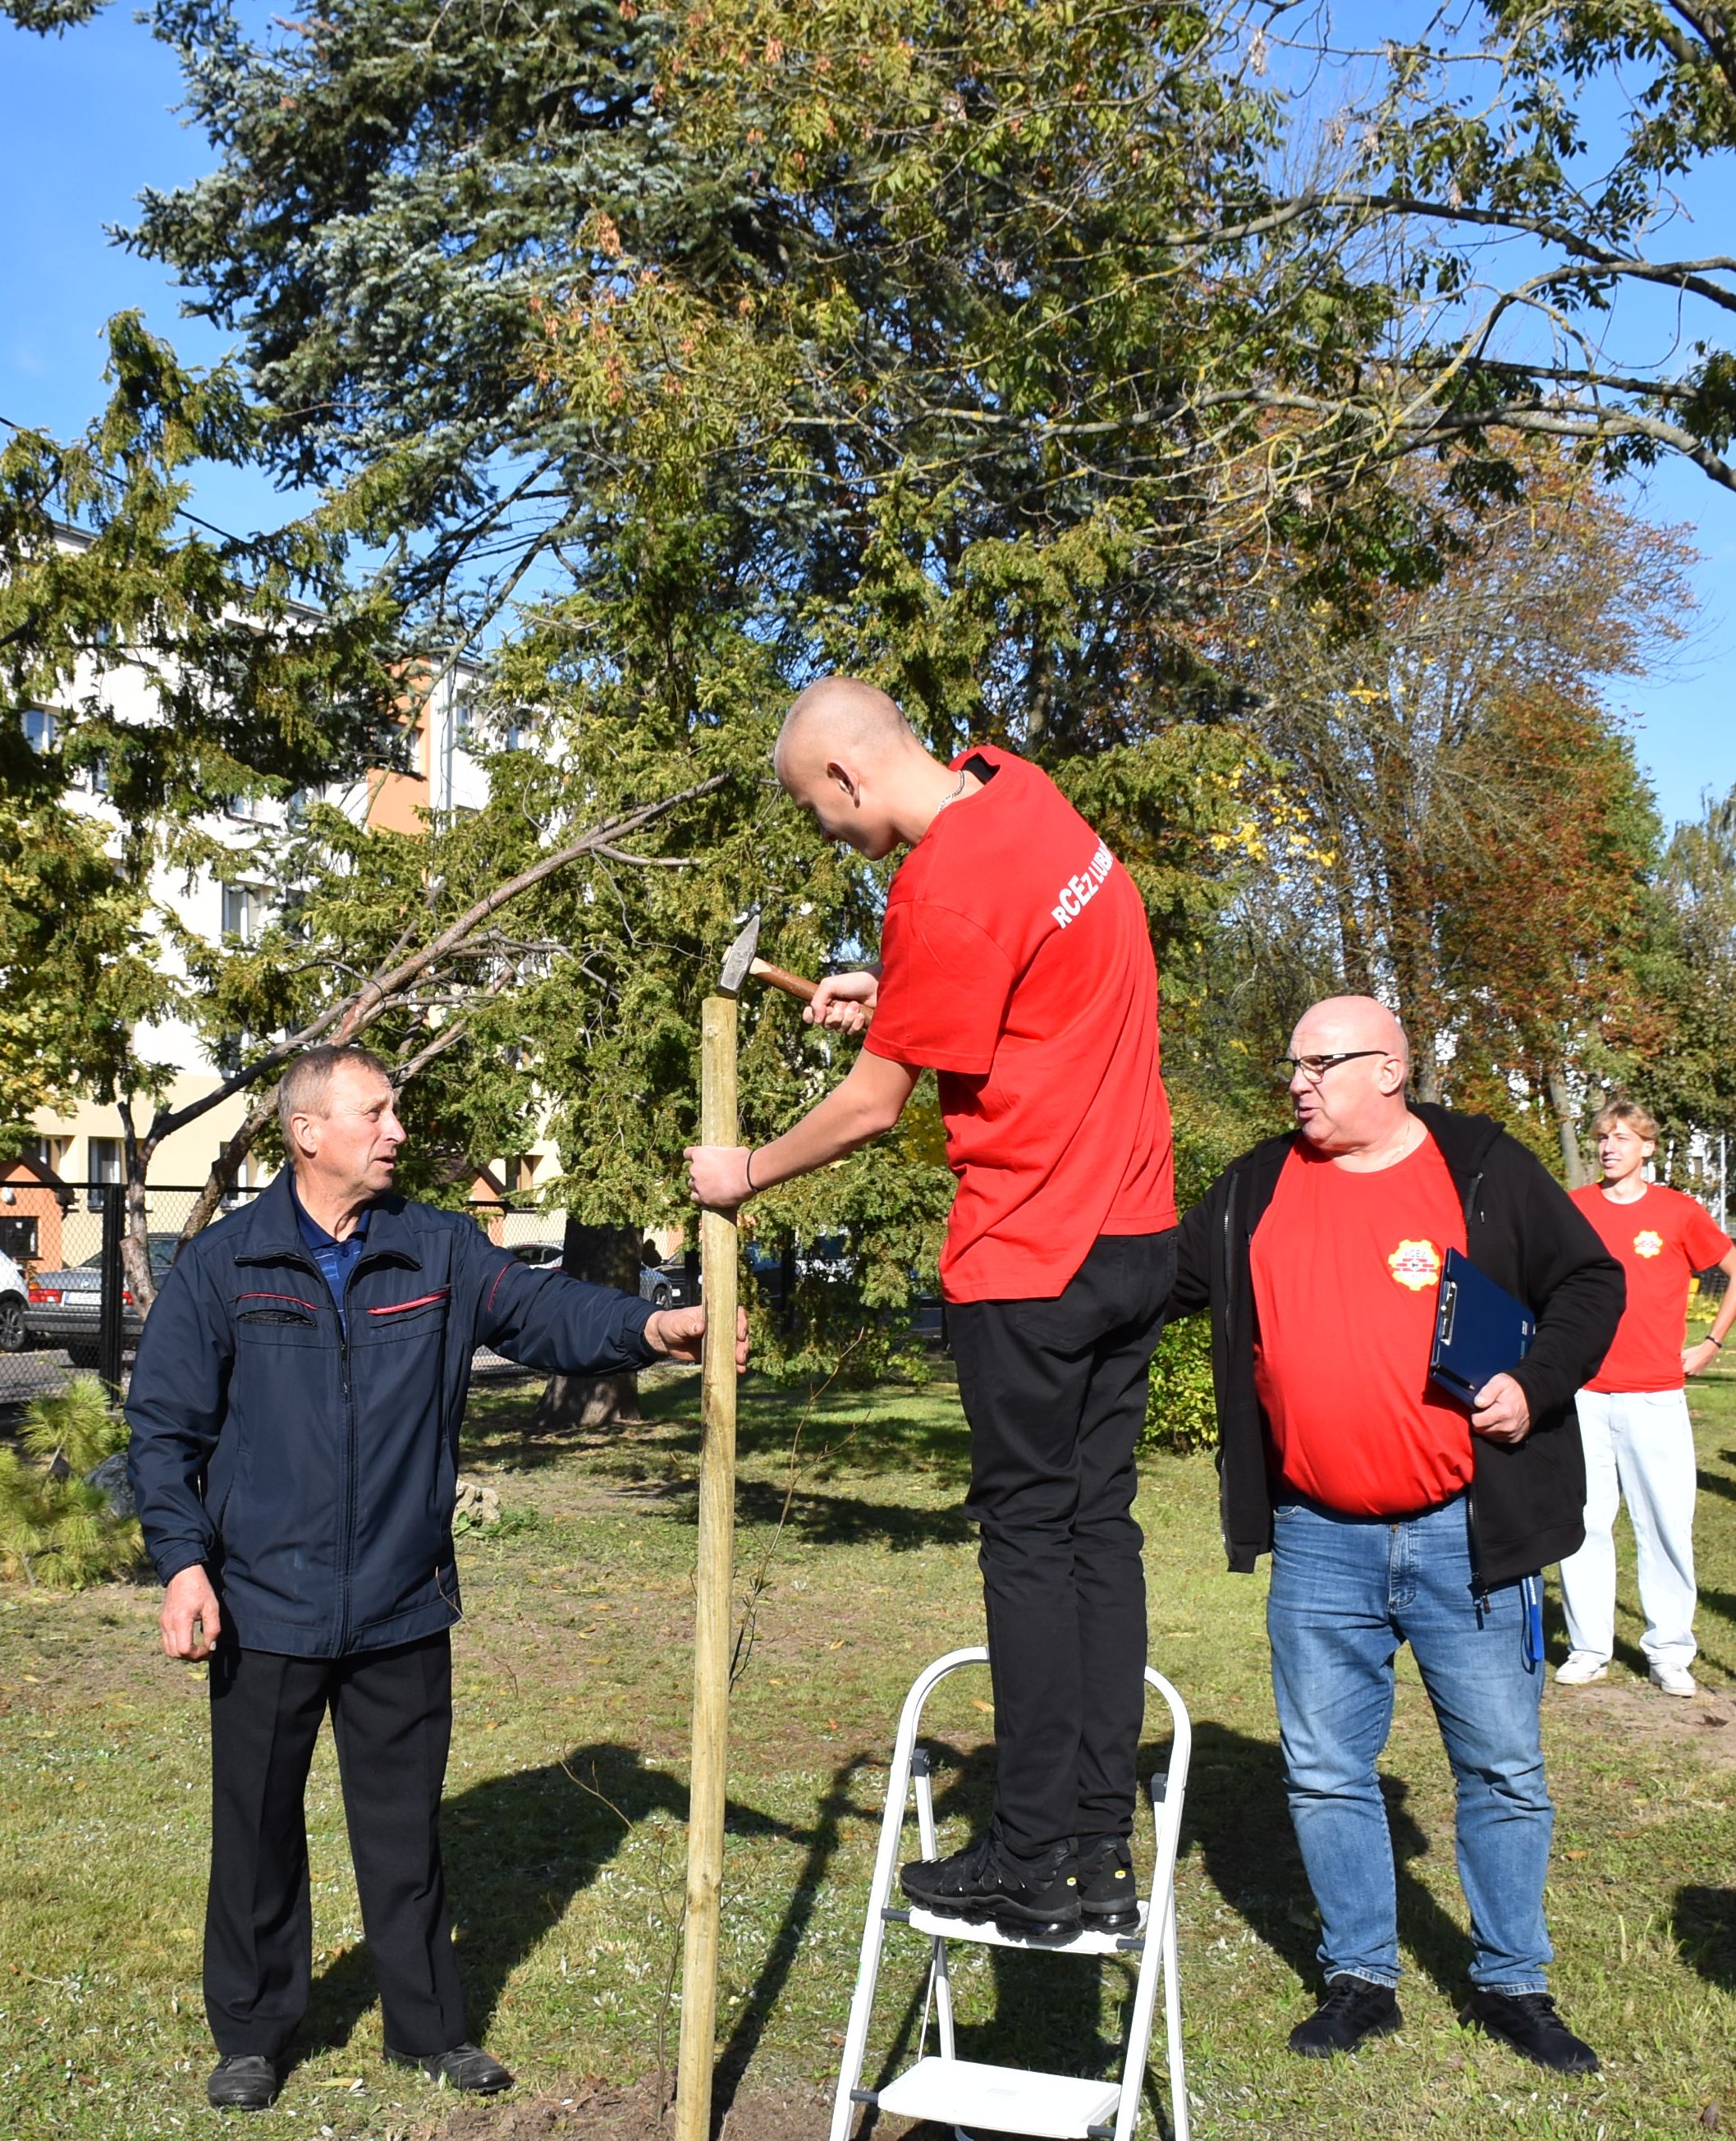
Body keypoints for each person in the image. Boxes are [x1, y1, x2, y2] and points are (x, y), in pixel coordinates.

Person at [126, 1045, 746, 2113]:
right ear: (308, 1132)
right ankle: (254, 2033)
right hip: (265, 1604)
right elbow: (163, 1429)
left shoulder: (437, 1250)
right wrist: (184, 1563)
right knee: (257, 1828)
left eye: (394, 1110)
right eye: (375, 1112)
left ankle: (429, 2028)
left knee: (404, 1831)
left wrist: (650, 1327)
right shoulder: (226, 1266)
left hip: (401, 1604)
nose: (397, 1130)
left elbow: (543, 1314)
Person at [686, 676, 1176, 1940]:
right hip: (1134, 1240)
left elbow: (870, 1107)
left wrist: (742, 1173)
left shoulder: (941, 887)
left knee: (1026, 1542)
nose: (826, 833)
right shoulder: (1026, 795)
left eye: (816, 810)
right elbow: (1005, 982)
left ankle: (1027, 1854)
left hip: (1031, 1257)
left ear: (847, 777)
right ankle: (1094, 1849)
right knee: (1096, 1534)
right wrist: (887, 990)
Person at [1170, 997, 1623, 2073]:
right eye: (1288, 1063)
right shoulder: (1252, 1186)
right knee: (1326, 1772)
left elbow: (1588, 1280)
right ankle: (1358, 1977)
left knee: (1501, 1768)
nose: (1295, 1082)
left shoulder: (1478, 1167)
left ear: (1386, 1069)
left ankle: (1512, 1983)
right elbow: (1163, 1277)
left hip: (1467, 1533)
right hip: (1316, 1537)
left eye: (1317, 1064)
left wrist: (1531, 1380)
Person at [1555, 1100, 1736, 1695]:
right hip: (1584, 1394)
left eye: (1622, 1138)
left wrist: (1709, 1343)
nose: (1609, 1147)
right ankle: (1588, 1648)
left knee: (1663, 1525)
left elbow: (1733, 1268)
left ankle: (1668, 1652)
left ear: (1646, 1148)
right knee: (1584, 1523)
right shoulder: (1574, 1209)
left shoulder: (1678, 1213)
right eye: (1603, 1138)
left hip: (1655, 1395)